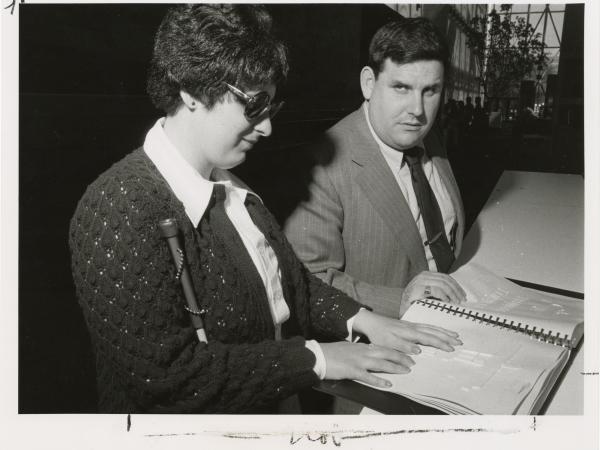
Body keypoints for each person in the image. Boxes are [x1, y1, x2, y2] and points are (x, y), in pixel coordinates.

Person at [68, 5, 461, 414]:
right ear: (190, 91)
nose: (267, 127)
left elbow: (298, 288)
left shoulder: (233, 189)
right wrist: (318, 358)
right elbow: (167, 377)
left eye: (271, 109)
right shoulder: (117, 207)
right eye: (253, 106)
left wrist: (366, 320)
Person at [285, 17, 467, 319]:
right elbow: (309, 281)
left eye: (430, 91)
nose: (418, 111)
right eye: (401, 88)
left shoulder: (428, 136)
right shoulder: (321, 166)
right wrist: (399, 301)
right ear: (368, 83)